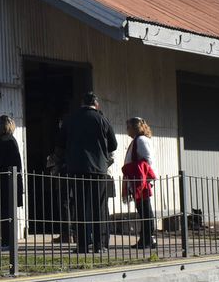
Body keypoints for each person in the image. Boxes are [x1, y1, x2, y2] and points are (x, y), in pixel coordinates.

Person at [62, 92, 117, 254]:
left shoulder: (70, 119)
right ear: (96, 104)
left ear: (81, 103)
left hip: (77, 168)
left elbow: (60, 142)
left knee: (80, 206)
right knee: (98, 207)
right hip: (98, 170)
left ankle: (83, 244)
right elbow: (113, 144)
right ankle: (100, 244)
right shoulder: (102, 119)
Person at [0, 115, 24, 249]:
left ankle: (6, 240)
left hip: (3, 181)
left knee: (4, 211)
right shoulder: (12, 140)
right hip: (11, 180)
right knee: (9, 211)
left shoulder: (1, 142)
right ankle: (9, 239)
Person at [121, 117, 157, 250]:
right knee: (143, 210)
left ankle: (147, 239)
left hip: (141, 181)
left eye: (128, 127)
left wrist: (144, 179)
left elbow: (148, 160)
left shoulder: (141, 140)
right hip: (137, 180)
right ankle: (146, 238)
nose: (127, 130)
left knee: (145, 210)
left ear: (134, 127)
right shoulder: (137, 140)